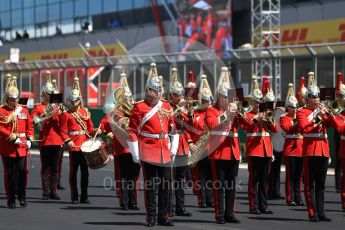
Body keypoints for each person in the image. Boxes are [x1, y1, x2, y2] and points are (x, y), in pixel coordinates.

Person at [128, 63, 177, 227]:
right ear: (148, 90)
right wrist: (135, 152)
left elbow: (172, 128)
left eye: (158, 90)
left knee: (165, 186)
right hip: (148, 149)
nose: (156, 93)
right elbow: (133, 131)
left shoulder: (166, 105)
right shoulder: (139, 107)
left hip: (164, 149)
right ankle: (151, 216)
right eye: (153, 90)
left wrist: (173, 147)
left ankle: (164, 216)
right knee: (151, 186)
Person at [206, 67, 241, 224]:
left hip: (233, 151)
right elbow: (213, 124)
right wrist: (227, 115)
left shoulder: (234, 110)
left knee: (231, 186)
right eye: (225, 97)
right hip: (218, 152)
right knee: (219, 186)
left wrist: (241, 113)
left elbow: (247, 126)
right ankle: (219, 214)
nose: (227, 100)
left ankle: (230, 214)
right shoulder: (211, 110)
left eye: (229, 97)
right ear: (219, 97)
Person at [101, 72, 141, 210]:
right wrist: (109, 132)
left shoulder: (136, 112)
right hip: (122, 148)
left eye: (130, 99)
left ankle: (133, 202)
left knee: (134, 177)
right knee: (124, 176)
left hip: (135, 147)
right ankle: (124, 202)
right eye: (126, 99)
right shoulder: (115, 114)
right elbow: (104, 125)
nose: (129, 102)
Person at [296, 72, 333, 222]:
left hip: (323, 150)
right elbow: (304, 127)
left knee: (321, 185)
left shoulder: (323, 112)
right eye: (313, 96)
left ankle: (321, 212)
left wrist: (331, 114)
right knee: (310, 184)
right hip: (310, 150)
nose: (316, 99)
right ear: (307, 99)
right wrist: (317, 113)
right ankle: (312, 212)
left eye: (318, 96)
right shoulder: (301, 112)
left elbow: (335, 125)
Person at [240, 76, 278, 215]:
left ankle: (263, 205)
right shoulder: (248, 114)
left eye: (260, 101)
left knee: (264, 180)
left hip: (266, 150)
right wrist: (257, 118)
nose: (259, 103)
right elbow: (248, 127)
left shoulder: (266, 113)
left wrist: (268, 119)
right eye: (256, 101)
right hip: (254, 150)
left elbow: (275, 130)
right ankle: (253, 206)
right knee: (254, 179)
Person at [60, 76, 98, 204]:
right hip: (74, 146)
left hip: (85, 146)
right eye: (73, 101)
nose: (75, 103)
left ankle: (84, 196)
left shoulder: (85, 112)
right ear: (70, 101)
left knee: (85, 173)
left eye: (77, 101)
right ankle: (74, 196)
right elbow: (63, 132)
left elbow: (90, 128)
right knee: (73, 173)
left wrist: (96, 131)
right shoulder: (66, 114)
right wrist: (68, 141)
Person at [0, 74, 34, 208]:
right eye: (11, 99)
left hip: (22, 146)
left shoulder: (24, 110)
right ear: (7, 99)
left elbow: (30, 125)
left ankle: (22, 195)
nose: (14, 101)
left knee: (22, 172)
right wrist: (12, 137)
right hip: (7, 147)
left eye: (15, 99)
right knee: (9, 174)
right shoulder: (2, 111)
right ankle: (10, 199)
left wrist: (30, 138)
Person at [30, 71, 63, 200]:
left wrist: (59, 111)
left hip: (56, 140)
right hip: (44, 141)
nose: (48, 96)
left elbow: (62, 123)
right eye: (46, 94)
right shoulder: (38, 107)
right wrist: (43, 117)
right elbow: (33, 120)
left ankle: (53, 192)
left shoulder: (58, 107)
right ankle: (45, 192)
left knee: (54, 169)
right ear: (43, 94)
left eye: (50, 94)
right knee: (45, 168)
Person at [185, 72, 214, 208]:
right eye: (204, 101)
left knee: (210, 176)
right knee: (199, 176)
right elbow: (187, 130)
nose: (207, 104)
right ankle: (201, 200)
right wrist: (190, 143)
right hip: (198, 148)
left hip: (211, 149)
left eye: (208, 101)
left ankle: (210, 199)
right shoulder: (195, 115)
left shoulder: (213, 114)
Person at [167, 68, 192, 217]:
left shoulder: (182, 108)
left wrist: (189, 111)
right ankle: (169, 207)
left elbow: (190, 125)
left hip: (182, 145)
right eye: (178, 95)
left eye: (181, 94)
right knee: (169, 179)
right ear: (171, 96)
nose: (181, 97)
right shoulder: (168, 108)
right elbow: (169, 121)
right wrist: (179, 110)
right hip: (171, 143)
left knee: (180, 180)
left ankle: (180, 207)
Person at [280, 83, 304, 206]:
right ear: (287, 107)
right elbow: (287, 128)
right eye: (292, 107)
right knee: (290, 175)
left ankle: (298, 197)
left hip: (300, 148)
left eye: (295, 107)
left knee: (299, 176)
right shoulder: (284, 117)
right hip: (290, 149)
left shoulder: (299, 116)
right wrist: (297, 122)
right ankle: (290, 198)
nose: (294, 109)